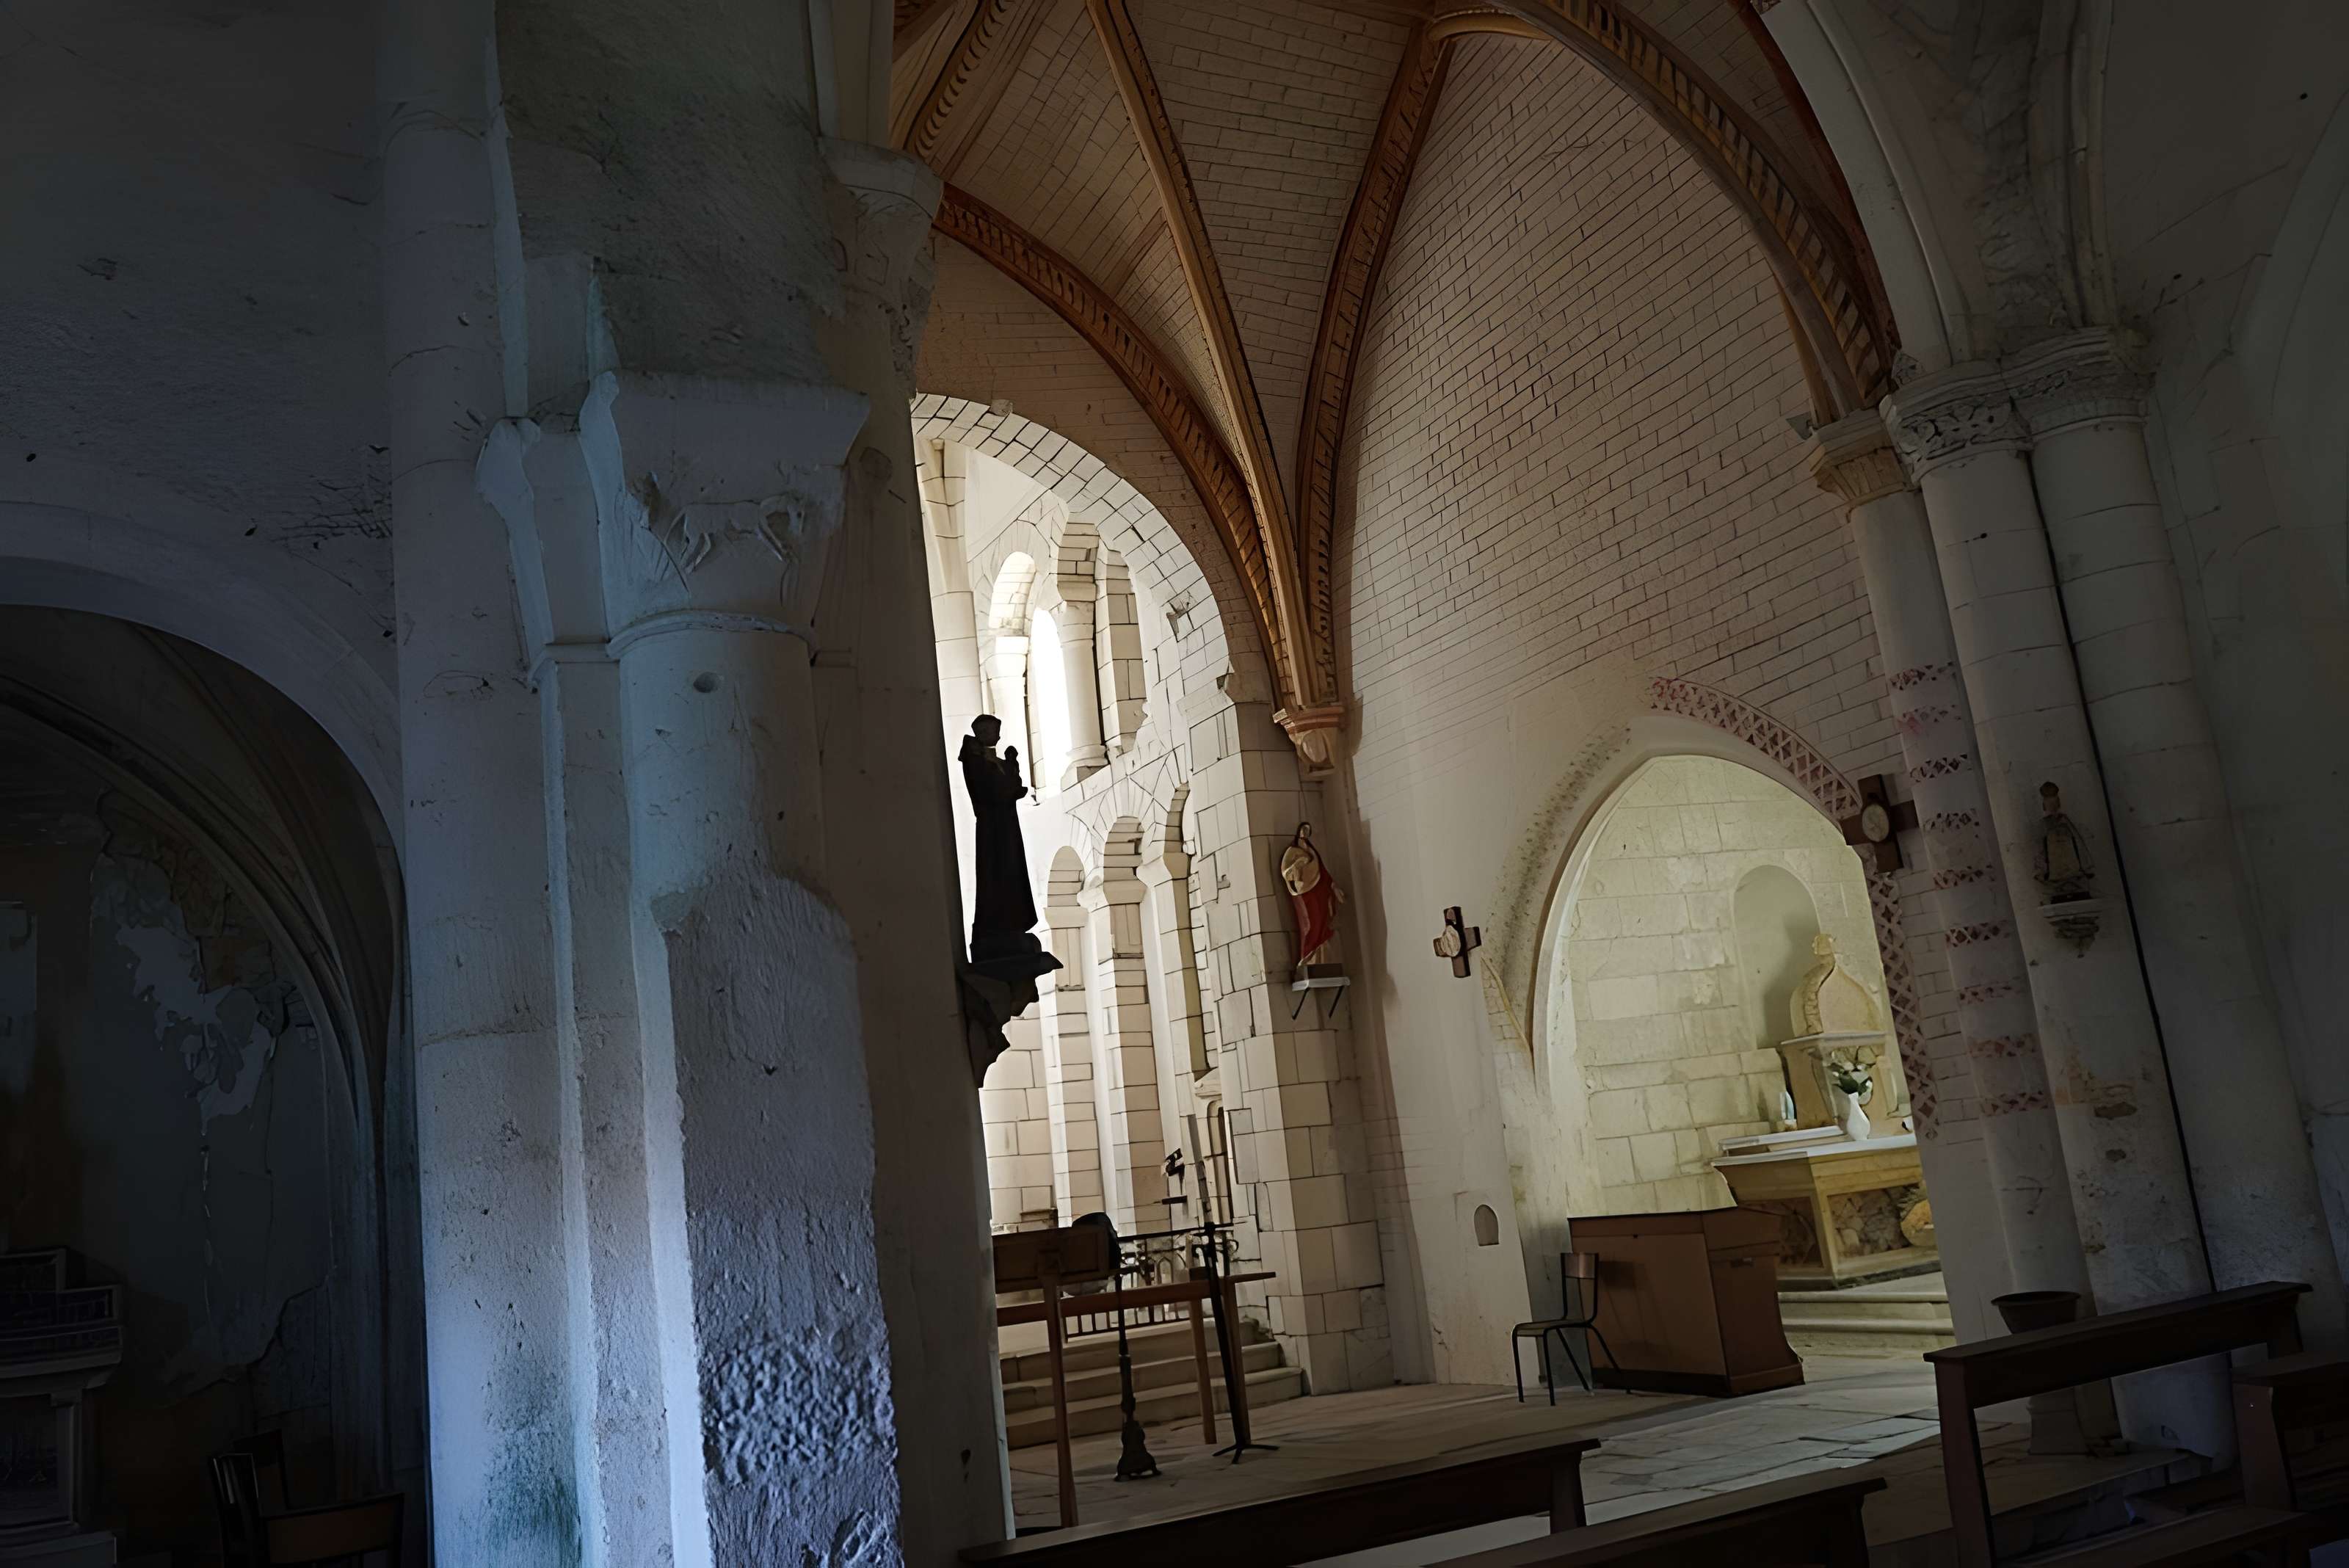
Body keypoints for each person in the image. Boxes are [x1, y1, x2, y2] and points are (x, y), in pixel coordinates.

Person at [960, 716, 1042, 963]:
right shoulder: (975, 760)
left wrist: (1012, 764)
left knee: (1010, 868)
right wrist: (1009, 779)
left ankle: (1013, 920)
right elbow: (990, 790)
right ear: (981, 732)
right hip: (993, 825)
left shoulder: (992, 760)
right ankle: (999, 922)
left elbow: (1011, 785)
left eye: (996, 730)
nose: (995, 734)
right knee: (997, 868)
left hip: (1006, 823)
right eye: (990, 730)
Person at [1279, 821, 1345, 973]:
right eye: (1303, 831)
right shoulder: (1292, 852)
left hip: (1320, 892)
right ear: (1299, 834)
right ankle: (1307, 960)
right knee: (1310, 925)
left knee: (1322, 923)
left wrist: (1334, 887)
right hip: (1306, 894)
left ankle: (1321, 960)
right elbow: (1287, 873)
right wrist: (1298, 865)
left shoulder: (1312, 851)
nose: (1305, 834)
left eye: (1307, 832)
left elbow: (1322, 870)